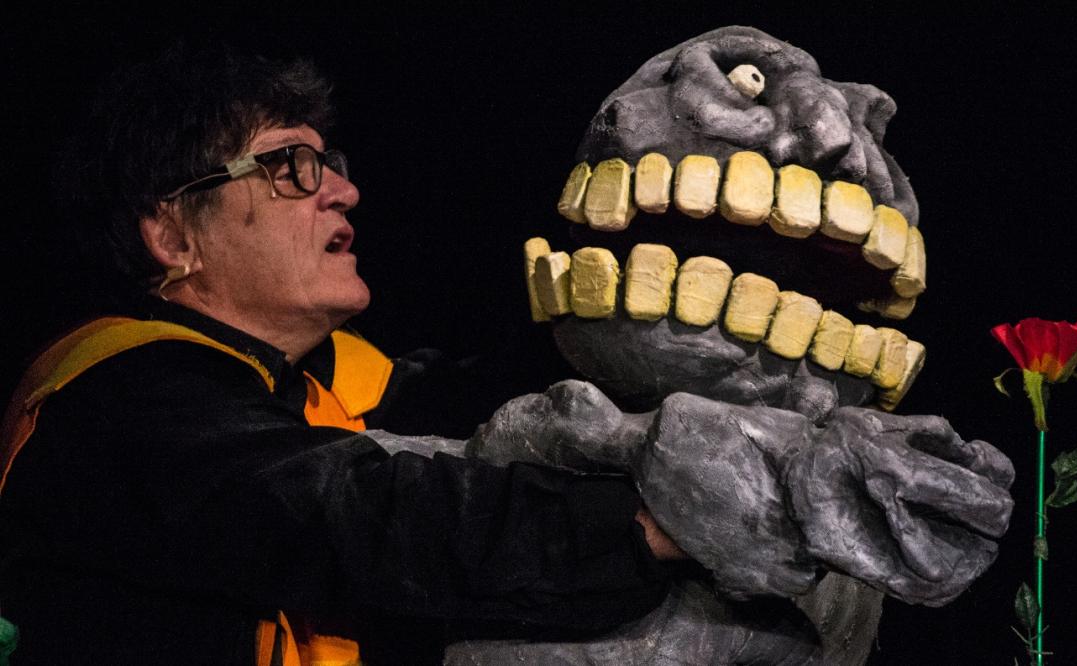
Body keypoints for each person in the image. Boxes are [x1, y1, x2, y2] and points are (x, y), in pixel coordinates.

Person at [0, 45, 683, 665]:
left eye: (329, 163)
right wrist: (654, 522)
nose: (344, 191)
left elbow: (497, 406)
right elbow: (362, 514)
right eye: (289, 167)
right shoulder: (110, 398)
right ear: (174, 238)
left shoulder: (334, 382)